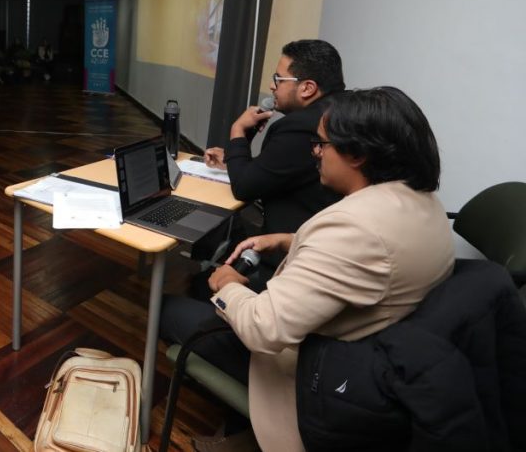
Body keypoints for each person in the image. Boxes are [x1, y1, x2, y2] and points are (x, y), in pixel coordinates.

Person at [161, 87, 455, 452]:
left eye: (322, 144)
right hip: (370, 357)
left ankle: (243, 429)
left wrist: (226, 286)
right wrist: (288, 239)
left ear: (359, 154)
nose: (315, 152)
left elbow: (264, 328)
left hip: (311, 377)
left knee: (170, 308)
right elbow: (370, 254)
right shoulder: (423, 203)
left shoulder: (352, 228)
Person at [202, 40, 345, 285]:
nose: (272, 86)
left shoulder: (299, 126)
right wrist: (233, 160)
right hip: (329, 247)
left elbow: (245, 188)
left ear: (307, 88)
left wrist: (238, 131)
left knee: (199, 287)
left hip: (290, 262)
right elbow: (287, 168)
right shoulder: (343, 109)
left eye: (279, 79)